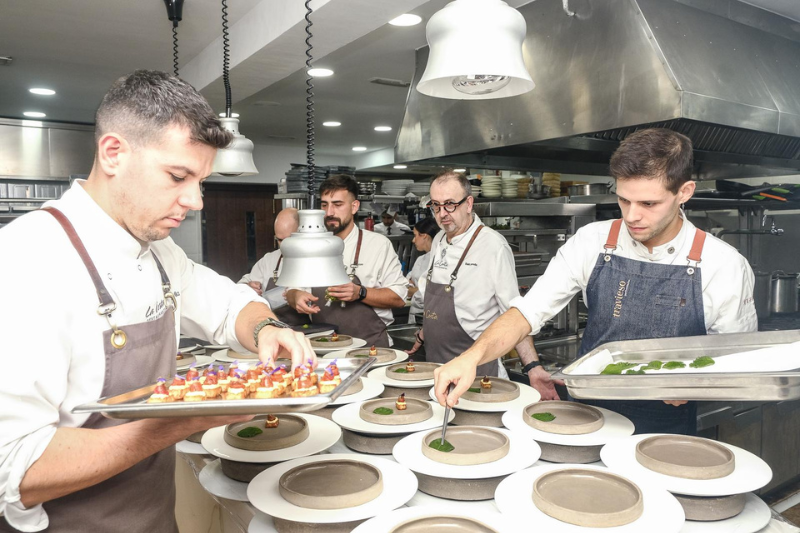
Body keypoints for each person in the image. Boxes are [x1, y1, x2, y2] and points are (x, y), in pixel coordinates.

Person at [0, 70, 316, 533]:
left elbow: (230, 305)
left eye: (201, 180)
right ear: (113, 153)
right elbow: (15, 466)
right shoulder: (26, 261)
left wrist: (268, 329)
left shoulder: (159, 251)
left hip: (152, 514)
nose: (196, 201)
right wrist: (182, 420)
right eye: (177, 176)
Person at [433, 129, 758, 435]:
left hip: (663, 426)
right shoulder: (591, 243)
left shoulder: (723, 265)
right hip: (587, 418)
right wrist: (471, 358)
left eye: (648, 203)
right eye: (623, 200)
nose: (631, 216)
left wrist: (696, 382)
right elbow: (525, 313)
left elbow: (737, 360)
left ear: (684, 192)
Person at [406, 170, 538, 378]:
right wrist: (425, 333)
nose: (442, 214)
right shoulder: (440, 238)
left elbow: (514, 314)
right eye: (436, 206)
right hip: (437, 363)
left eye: (450, 204)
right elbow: (440, 305)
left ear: (468, 204)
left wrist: (532, 368)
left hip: (477, 371)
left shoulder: (493, 246)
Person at [285, 175, 408, 347]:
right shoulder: (310, 245)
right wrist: (295, 296)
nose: (329, 213)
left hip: (370, 347)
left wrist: (360, 293)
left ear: (354, 206)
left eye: (337, 204)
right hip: (322, 346)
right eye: (324, 205)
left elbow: (399, 298)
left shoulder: (378, 245)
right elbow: (291, 290)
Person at [238, 208, 308, 325]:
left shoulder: (318, 262)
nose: (284, 245)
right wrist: (247, 288)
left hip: (308, 332)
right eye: (280, 240)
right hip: (270, 329)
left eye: (289, 239)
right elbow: (239, 287)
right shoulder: (269, 260)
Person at [406, 217, 440, 323]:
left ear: (424, 235)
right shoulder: (420, 259)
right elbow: (407, 280)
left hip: (431, 317)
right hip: (414, 317)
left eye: (415, 235)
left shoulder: (440, 260)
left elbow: (429, 295)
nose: (413, 240)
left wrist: (413, 292)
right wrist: (414, 289)